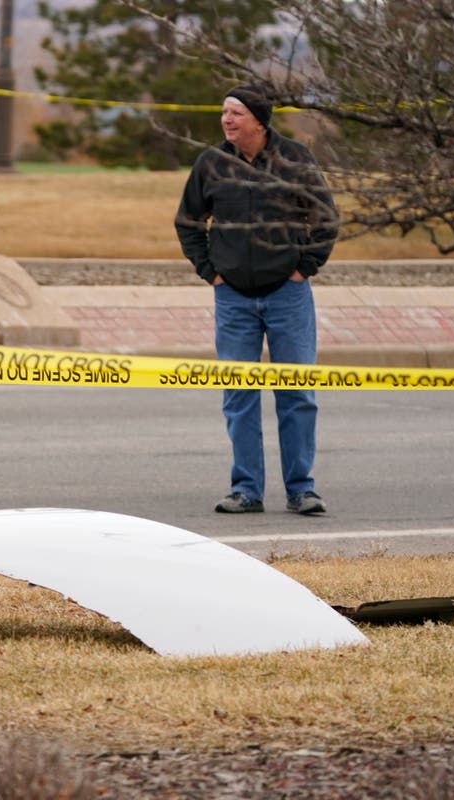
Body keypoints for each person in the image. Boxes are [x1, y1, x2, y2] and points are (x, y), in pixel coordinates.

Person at [175, 84, 339, 515]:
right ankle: (246, 490)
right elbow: (188, 222)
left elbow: (325, 218)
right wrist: (210, 273)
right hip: (233, 298)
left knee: (297, 393)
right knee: (239, 395)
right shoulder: (211, 163)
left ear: (259, 120)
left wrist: (304, 266)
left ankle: (301, 488)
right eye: (225, 112)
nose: (227, 120)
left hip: (288, 294)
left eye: (236, 113)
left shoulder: (295, 160)